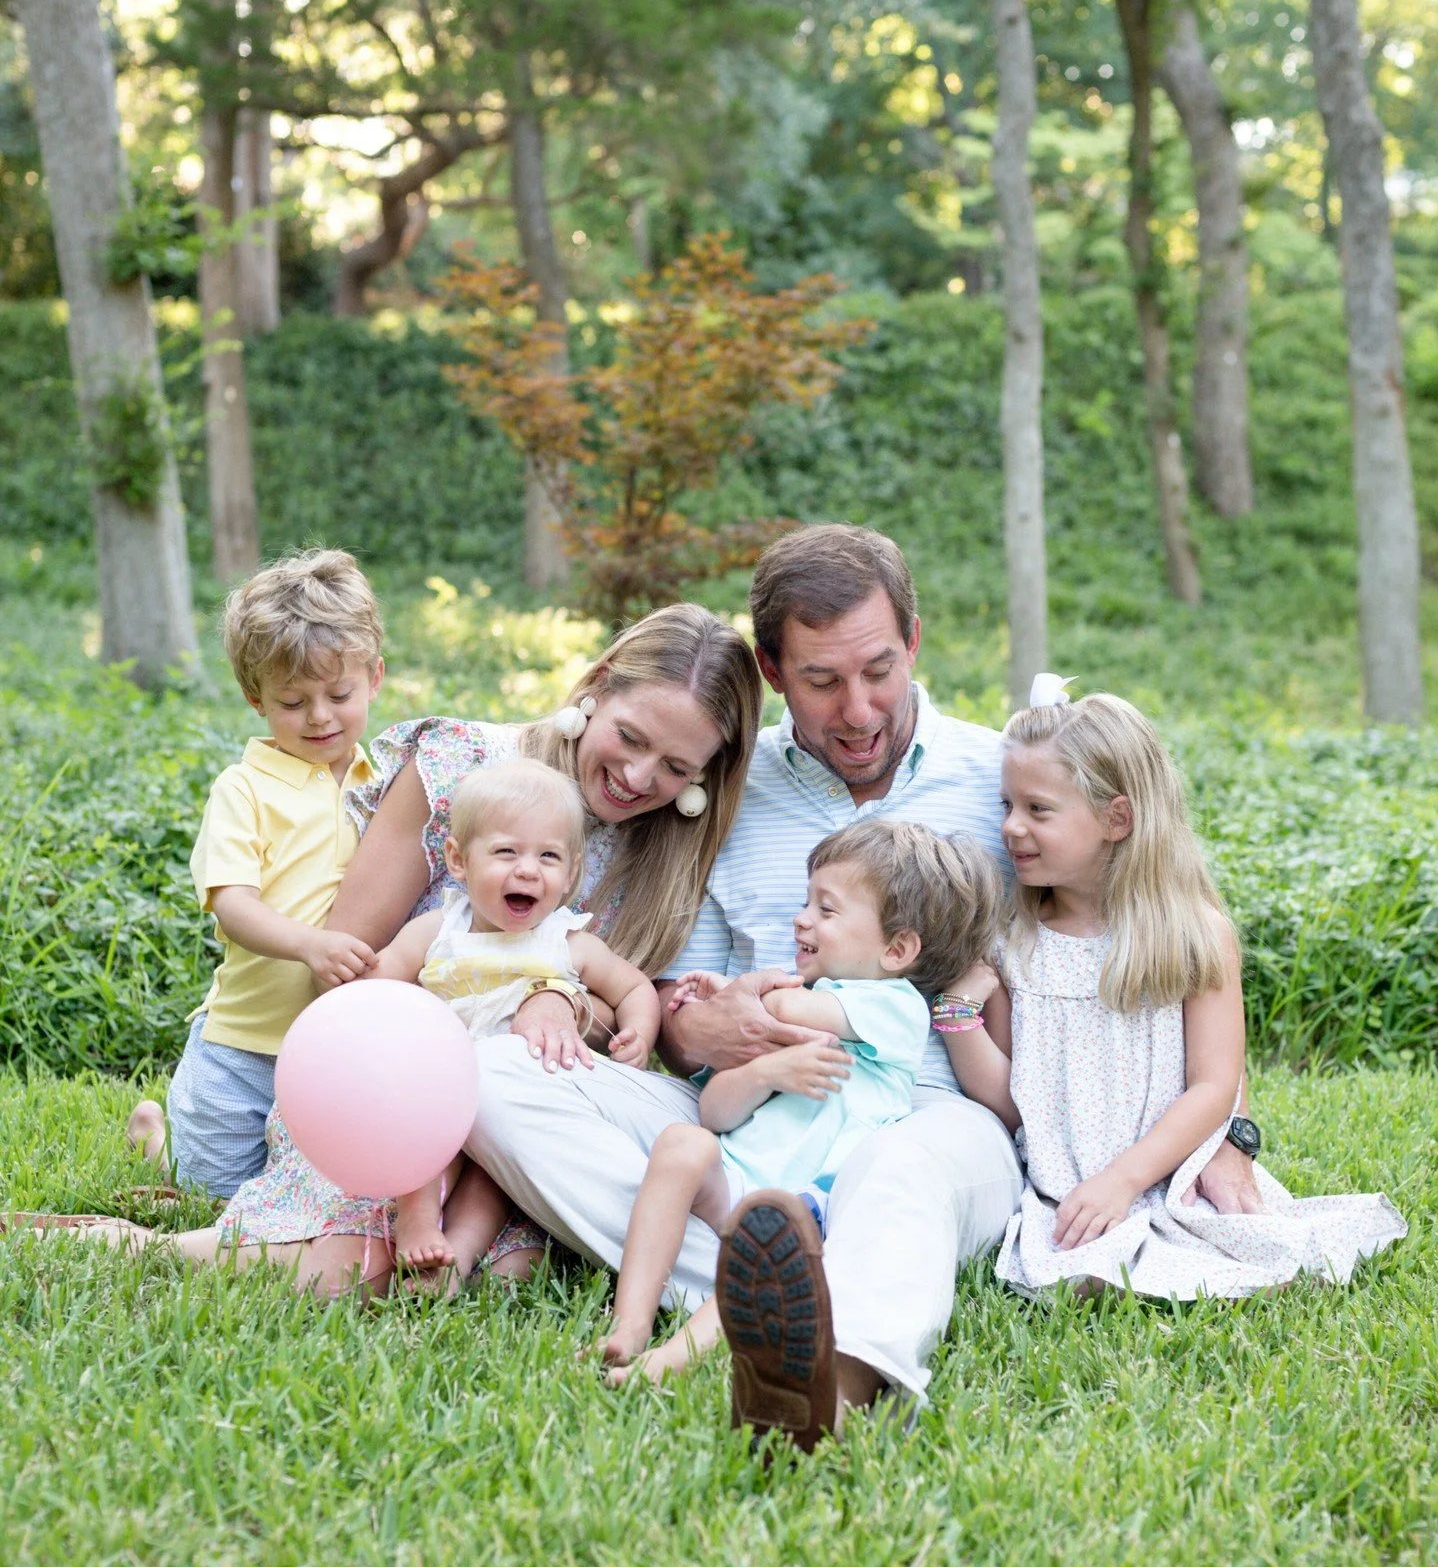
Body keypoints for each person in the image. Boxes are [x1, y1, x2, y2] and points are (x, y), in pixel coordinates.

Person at [462, 524, 1271, 1448]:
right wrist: (704, 1028)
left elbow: (1165, 929)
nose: (857, 709)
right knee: (495, 1077)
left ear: (915, 641)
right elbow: (672, 1000)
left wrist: (1231, 1131)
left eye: (878, 670)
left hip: (934, 1100)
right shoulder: (725, 790)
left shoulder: (1003, 784)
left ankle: (838, 1371)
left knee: (900, 1173)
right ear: (770, 670)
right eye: (821, 681)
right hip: (755, 1109)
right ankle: (773, 1277)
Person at [19, 604, 761, 1297]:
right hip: (392, 1076)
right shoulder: (460, 764)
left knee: (508, 1268)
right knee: (351, 1269)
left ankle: (206, 1196)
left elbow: (618, 1004)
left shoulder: (669, 853)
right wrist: (433, 1049)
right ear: (597, 689)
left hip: (516, 1120)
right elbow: (347, 974)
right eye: (631, 738)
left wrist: (560, 999)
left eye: (675, 766)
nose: (639, 777)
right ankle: (122, 1243)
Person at [943, 682, 1405, 1297]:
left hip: (1171, 1170)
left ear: (1118, 818)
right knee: (1078, 1271)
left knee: (1247, 1256)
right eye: (1006, 805)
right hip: (1065, 1185)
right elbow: (1012, 1098)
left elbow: (1214, 1085)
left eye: (1038, 809)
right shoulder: (1012, 944)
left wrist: (1125, 1180)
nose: (1010, 828)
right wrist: (957, 1016)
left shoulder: (1194, 935)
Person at [598, 822, 1001, 1413]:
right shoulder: (807, 1007)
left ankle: (672, 1358)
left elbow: (783, 1005)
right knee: (682, 1142)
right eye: (806, 901)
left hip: (812, 1202)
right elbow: (714, 1111)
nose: (802, 919)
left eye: (827, 909)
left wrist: (736, 996)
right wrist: (764, 1072)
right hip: (737, 1175)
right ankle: (629, 1325)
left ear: (896, 950)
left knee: (772, 1241)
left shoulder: (894, 1008)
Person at [127, 548, 386, 1200]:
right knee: (213, 1196)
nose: (321, 716)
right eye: (294, 701)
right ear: (255, 698)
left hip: (336, 1051)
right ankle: (156, 1143)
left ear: (375, 678)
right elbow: (231, 903)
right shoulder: (244, 788)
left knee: (299, 1198)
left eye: (339, 694)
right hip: (241, 1047)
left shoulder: (383, 784)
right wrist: (310, 943)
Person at [379, 758, 661, 1281]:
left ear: (571, 873)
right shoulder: (438, 932)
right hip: (437, 1086)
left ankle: (456, 1255)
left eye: (548, 856)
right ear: (459, 861)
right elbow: (382, 982)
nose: (528, 870)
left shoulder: (569, 942)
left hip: (516, 1106)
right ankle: (417, 1221)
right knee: (420, 1132)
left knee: (498, 1173)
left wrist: (638, 1032)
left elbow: (633, 987)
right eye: (506, 851)